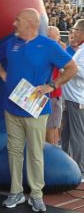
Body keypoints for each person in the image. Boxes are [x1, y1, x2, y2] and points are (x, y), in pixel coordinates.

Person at [0, 8, 77, 212]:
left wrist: (52, 86)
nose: (14, 24)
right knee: (14, 151)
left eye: (18, 20)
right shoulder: (12, 43)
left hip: (36, 111)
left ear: (30, 23)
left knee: (36, 153)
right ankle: (16, 192)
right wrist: (2, 73)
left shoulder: (48, 45)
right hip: (11, 108)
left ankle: (36, 195)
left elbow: (71, 68)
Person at [61, 19, 84, 175]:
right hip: (70, 99)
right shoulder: (80, 50)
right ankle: (68, 166)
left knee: (77, 136)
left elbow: (80, 72)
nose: (72, 32)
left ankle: (78, 169)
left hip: (77, 100)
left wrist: (67, 68)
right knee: (66, 134)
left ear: (81, 32)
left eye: (74, 29)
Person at [45, 26, 65, 145]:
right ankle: (52, 156)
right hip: (52, 94)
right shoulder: (56, 51)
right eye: (57, 37)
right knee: (52, 128)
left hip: (45, 94)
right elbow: (69, 69)